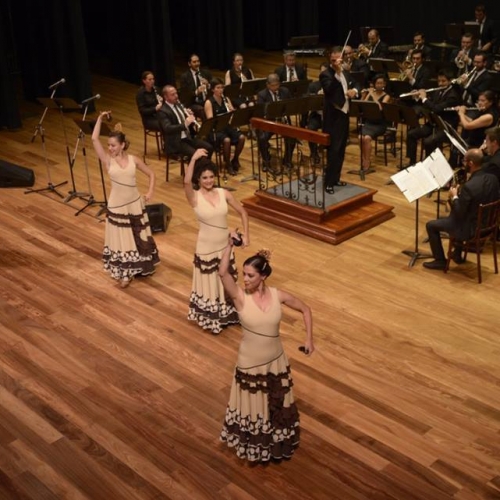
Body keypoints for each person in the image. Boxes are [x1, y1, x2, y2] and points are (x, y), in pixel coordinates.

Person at [218, 241, 314, 462]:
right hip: (251, 366)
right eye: (244, 274)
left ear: (263, 276)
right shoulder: (240, 297)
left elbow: (306, 309)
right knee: (256, 409)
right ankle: (255, 447)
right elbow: (223, 273)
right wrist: (229, 245)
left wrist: (309, 339)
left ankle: (275, 443)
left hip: (276, 362)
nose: (245, 279)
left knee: (275, 406)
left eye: (250, 275)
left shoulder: (278, 295)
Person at [184, 149, 249, 335]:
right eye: (204, 178)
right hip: (206, 248)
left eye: (211, 177)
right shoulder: (194, 197)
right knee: (211, 283)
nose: (209, 181)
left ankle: (228, 313)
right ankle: (213, 319)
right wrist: (193, 158)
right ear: (198, 179)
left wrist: (246, 235)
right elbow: (186, 182)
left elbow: (243, 212)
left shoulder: (223, 193)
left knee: (226, 280)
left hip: (225, 247)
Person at [91, 112, 159, 288]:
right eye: (109, 145)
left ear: (122, 145)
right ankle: (125, 273)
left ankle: (139, 267)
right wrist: (99, 119)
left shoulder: (133, 160)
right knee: (122, 241)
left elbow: (151, 174)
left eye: (113, 145)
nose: (110, 148)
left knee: (136, 237)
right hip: (118, 207)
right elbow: (94, 139)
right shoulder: (107, 161)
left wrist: (150, 192)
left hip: (135, 204)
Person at [423, 148, 500, 270]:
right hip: (489, 226)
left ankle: (440, 261)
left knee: (431, 225)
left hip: (472, 230)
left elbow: (459, 212)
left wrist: (454, 196)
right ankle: (457, 254)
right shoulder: (493, 178)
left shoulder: (469, 186)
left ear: (471, 163)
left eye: (464, 161)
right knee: (460, 216)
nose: (463, 163)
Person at [320, 46, 360, 194]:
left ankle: (336, 178)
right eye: (334, 60)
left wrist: (354, 91)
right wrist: (337, 73)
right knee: (333, 151)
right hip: (333, 118)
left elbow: (357, 83)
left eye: (339, 59)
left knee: (342, 149)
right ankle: (328, 182)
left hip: (344, 115)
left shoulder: (346, 73)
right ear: (330, 60)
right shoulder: (325, 75)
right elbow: (329, 90)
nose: (337, 62)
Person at [405, 70, 461, 166]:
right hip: (434, 123)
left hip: (445, 127)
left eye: (443, 81)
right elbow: (429, 105)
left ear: (450, 81)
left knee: (428, 141)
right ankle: (412, 163)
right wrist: (418, 97)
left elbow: (436, 108)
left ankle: (429, 165)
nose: (440, 84)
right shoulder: (438, 91)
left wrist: (424, 98)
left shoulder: (453, 96)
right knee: (411, 134)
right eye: (439, 81)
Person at [157, 85, 213, 160]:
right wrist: (185, 124)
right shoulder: (163, 111)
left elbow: (186, 123)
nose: (176, 96)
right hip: (176, 142)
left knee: (209, 148)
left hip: (187, 138)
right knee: (198, 156)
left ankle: (202, 165)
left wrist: (189, 117)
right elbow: (167, 128)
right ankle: (195, 165)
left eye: (176, 93)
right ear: (166, 97)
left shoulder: (179, 105)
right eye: (173, 94)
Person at [204, 78, 246, 175]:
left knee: (242, 138)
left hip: (227, 127)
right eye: (218, 88)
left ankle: (235, 159)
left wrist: (232, 111)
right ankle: (228, 164)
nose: (221, 90)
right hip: (215, 129)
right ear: (213, 90)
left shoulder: (226, 99)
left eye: (222, 87)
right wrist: (223, 117)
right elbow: (210, 120)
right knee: (227, 140)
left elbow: (232, 116)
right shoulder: (209, 102)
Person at [449, 90, 499, 167]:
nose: (480, 103)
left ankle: (460, 168)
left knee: (456, 150)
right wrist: (461, 113)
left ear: (490, 102)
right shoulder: (484, 111)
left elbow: (467, 126)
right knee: (454, 147)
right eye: (479, 100)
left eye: (483, 101)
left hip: (478, 144)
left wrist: (461, 113)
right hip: (473, 140)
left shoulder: (489, 116)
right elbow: (473, 121)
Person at [256, 73, 295, 170]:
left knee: (292, 137)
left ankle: (287, 160)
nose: (275, 88)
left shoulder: (285, 91)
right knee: (262, 138)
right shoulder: (262, 95)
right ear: (267, 85)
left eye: (277, 85)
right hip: (270, 123)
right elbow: (261, 111)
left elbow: (291, 105)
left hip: (283, 121)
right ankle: (266, 160)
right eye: (273, 85)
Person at [359, 74, 391, 172]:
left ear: (384, 84)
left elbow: (380, 108)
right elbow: (362, 105)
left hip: (380, 124)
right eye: (377, 83)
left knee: (367, 138)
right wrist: (364, 95)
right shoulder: (370, 93)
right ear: (374, 84)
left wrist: (371, 94)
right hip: (369, 122)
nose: (379, 85)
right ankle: (364, 158)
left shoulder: (387, 96)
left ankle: (367, 161)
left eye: (381, 83)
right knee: (360, 137)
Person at [179, 54, 213, 120]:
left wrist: (208, 84)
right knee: (202, 110)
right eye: (194, 62)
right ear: (189, 64)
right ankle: (207, 126)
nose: (197, 64)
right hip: (193, 102)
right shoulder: (184, 77)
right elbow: (185, 95)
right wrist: (197, 92)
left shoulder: (206, 73)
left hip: (206, 100)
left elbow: (214, 87)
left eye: (198, 61)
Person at [306, 62, 328, 164]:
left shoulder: (335, 86)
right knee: (311, 129)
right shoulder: (313, 86)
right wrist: (317, 97)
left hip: (330, 116)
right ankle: (314, 153)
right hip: (317, 115)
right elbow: (308, 102)